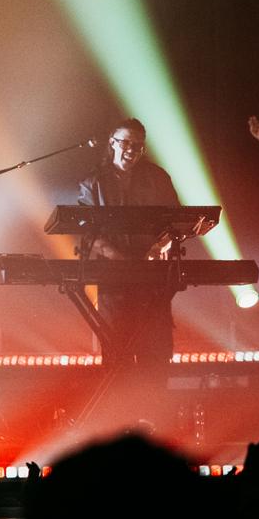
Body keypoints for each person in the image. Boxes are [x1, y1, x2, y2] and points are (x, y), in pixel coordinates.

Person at [77, 118, 180, 365]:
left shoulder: (157, 177)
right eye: (126, 143)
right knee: (116, 353)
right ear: (112, 143)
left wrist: (159, 246)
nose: (132, 150)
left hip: (153, 278)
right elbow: (86, 228)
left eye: (138, 145)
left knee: (156, 354)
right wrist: (118, 257)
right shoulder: (93, 182)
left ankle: (155, 403)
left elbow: (176, 221)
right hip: (113, 279)